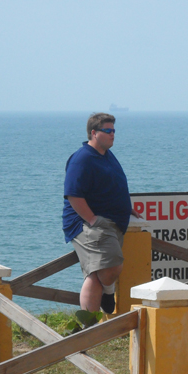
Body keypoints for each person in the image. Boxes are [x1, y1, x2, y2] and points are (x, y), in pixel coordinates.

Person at [63, 113, 141, 314]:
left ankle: (89, 329)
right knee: (111, 267)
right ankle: (105, 296)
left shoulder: (106, 154)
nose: (112, 134)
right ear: (94, 133)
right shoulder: (82, 159)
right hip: (89, 224)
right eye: (107, 131)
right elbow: (73, 195)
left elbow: (112, 185)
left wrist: (126, 207)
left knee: (98, 270)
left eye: (114, 130)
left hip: (112, 222)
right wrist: (92, 219)